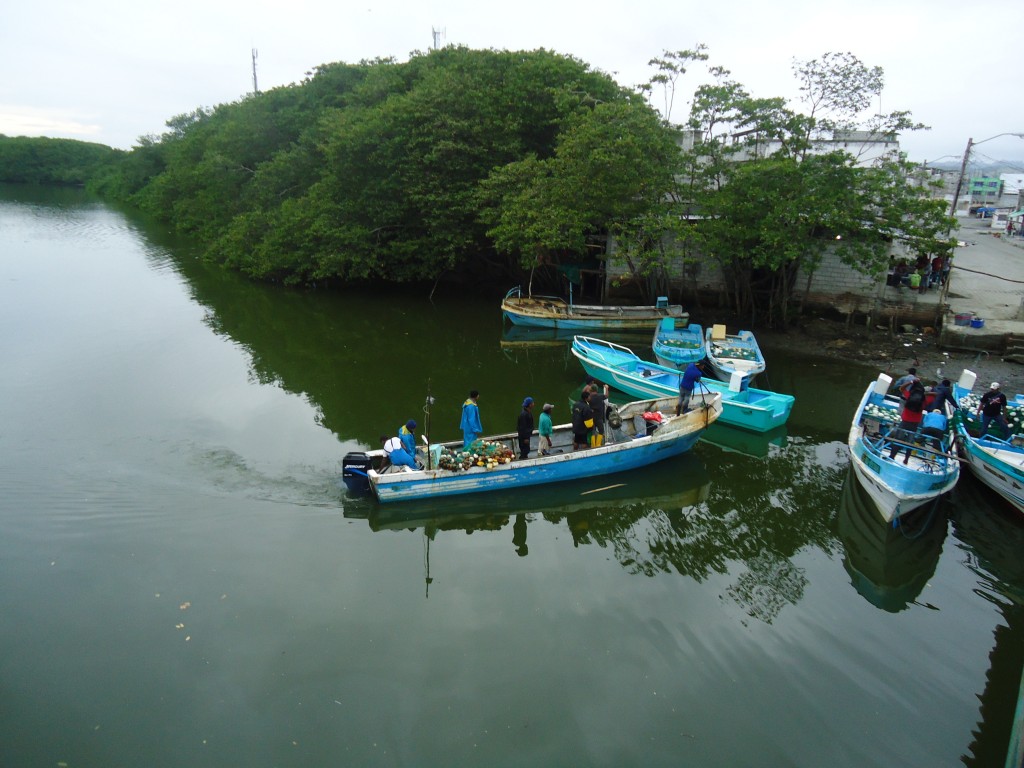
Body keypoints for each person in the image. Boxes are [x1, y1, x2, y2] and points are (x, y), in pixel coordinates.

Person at [888, 380, 926, 462]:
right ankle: (906, 459)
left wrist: (911, 382)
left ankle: (892, 456)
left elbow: (901, 388)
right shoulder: (924, 400)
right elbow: (935, 395)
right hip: (915, 424)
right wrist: (925, 393)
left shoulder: (909, 396)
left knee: (898, 439)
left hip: (905, 421)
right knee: (910, 442)